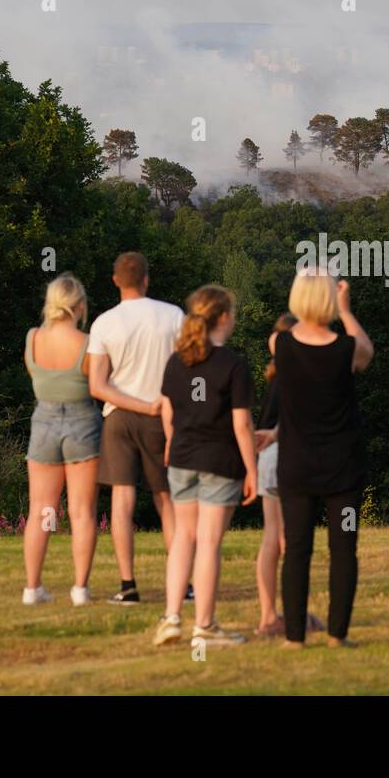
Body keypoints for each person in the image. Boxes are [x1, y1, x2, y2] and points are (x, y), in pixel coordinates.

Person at [267, 271, 373, 649]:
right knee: (343, 548)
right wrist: (345, 310)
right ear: (330, 299)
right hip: (343, 467)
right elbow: (366, 352)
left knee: (297, 549)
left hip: (296, 465)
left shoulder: (280, 343)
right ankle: (337, 634)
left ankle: (294, 636)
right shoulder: (346, 350)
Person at [153, 285, 258, 647]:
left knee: (184, 537)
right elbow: (242, 425)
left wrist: (170, 443)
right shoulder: (234, 364)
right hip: (220, 461)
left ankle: (170, 618)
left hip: (181, 457)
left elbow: (167, 411)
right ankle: (205, 627)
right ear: (224, 318)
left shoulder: (175, 361)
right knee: (209, 542)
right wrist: (253, 469)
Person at [87, 252, 183, 605]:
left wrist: (135, 404)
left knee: (122, 500)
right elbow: (187, 369)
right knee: (166, 500)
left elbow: (97, 385)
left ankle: (128, 586)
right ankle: (183, 583)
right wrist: (157, 405)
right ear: (147, 279)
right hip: (163, 414)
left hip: (119, 418)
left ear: (115, 281)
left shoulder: (104, 323)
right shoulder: (173, 316)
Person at [22, 273, 102, 607]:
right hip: (83, 421)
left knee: (41, 509)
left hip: (43, 422)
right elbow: (97, 382)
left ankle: (32, 588)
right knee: (82, 511)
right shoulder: (87, 342)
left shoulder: (33, 339)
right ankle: (80, 589)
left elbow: (35, 378)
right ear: (79, 306)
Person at [253, 312, 324, 638]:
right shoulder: (294, 376)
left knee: (277, 538)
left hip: (269, 457)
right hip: (284, 454)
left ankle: (276, 614)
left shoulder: (278, 377)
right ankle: (281, 616)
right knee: (289, 540)